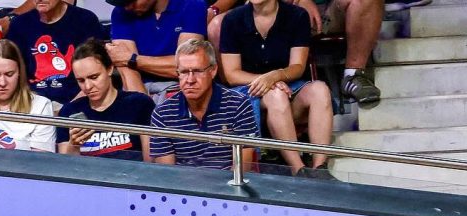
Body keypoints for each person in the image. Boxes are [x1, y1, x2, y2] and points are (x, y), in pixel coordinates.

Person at [219, 0, 334, 177]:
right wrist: (267, 81)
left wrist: (277, 76)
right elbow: (232, 75)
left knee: (320, 90)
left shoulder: (297, 16)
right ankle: (299, 169)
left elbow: (298, 66)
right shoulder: (233, 19)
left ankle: (320, 168)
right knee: (276, 94)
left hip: (288, 85)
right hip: (249, 92)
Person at [150, 39, 257, 169]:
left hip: (229, 181)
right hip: (181, 181)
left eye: (197, 71)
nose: (190, 80)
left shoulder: (238, 105)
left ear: (213, 70)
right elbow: (167, 173)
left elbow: (242, 169)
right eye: (184, 72)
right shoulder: (162, 114)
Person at [56, 39, 154, 161]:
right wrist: (74, 145)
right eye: (81, 80)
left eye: (94, 77)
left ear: (109, 69)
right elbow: (65, 166)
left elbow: (151, 163)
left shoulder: (139, 104)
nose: (88, 86)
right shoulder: (69, 112)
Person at [4, 0, 103, 106]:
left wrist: (68, 109)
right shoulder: (19, 25)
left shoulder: (85, 20)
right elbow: (11, 74)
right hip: (31, 104)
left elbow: (96, 74)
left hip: (77, 102)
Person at [104, 0, 205, 101]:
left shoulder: (191, 5)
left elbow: (187, 66)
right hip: (139, 88)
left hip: (180, 87)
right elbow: (125, 66)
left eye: (132, 1)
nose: (127, 7)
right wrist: (143, 105)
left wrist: (132, 59)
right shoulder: (121, 12)